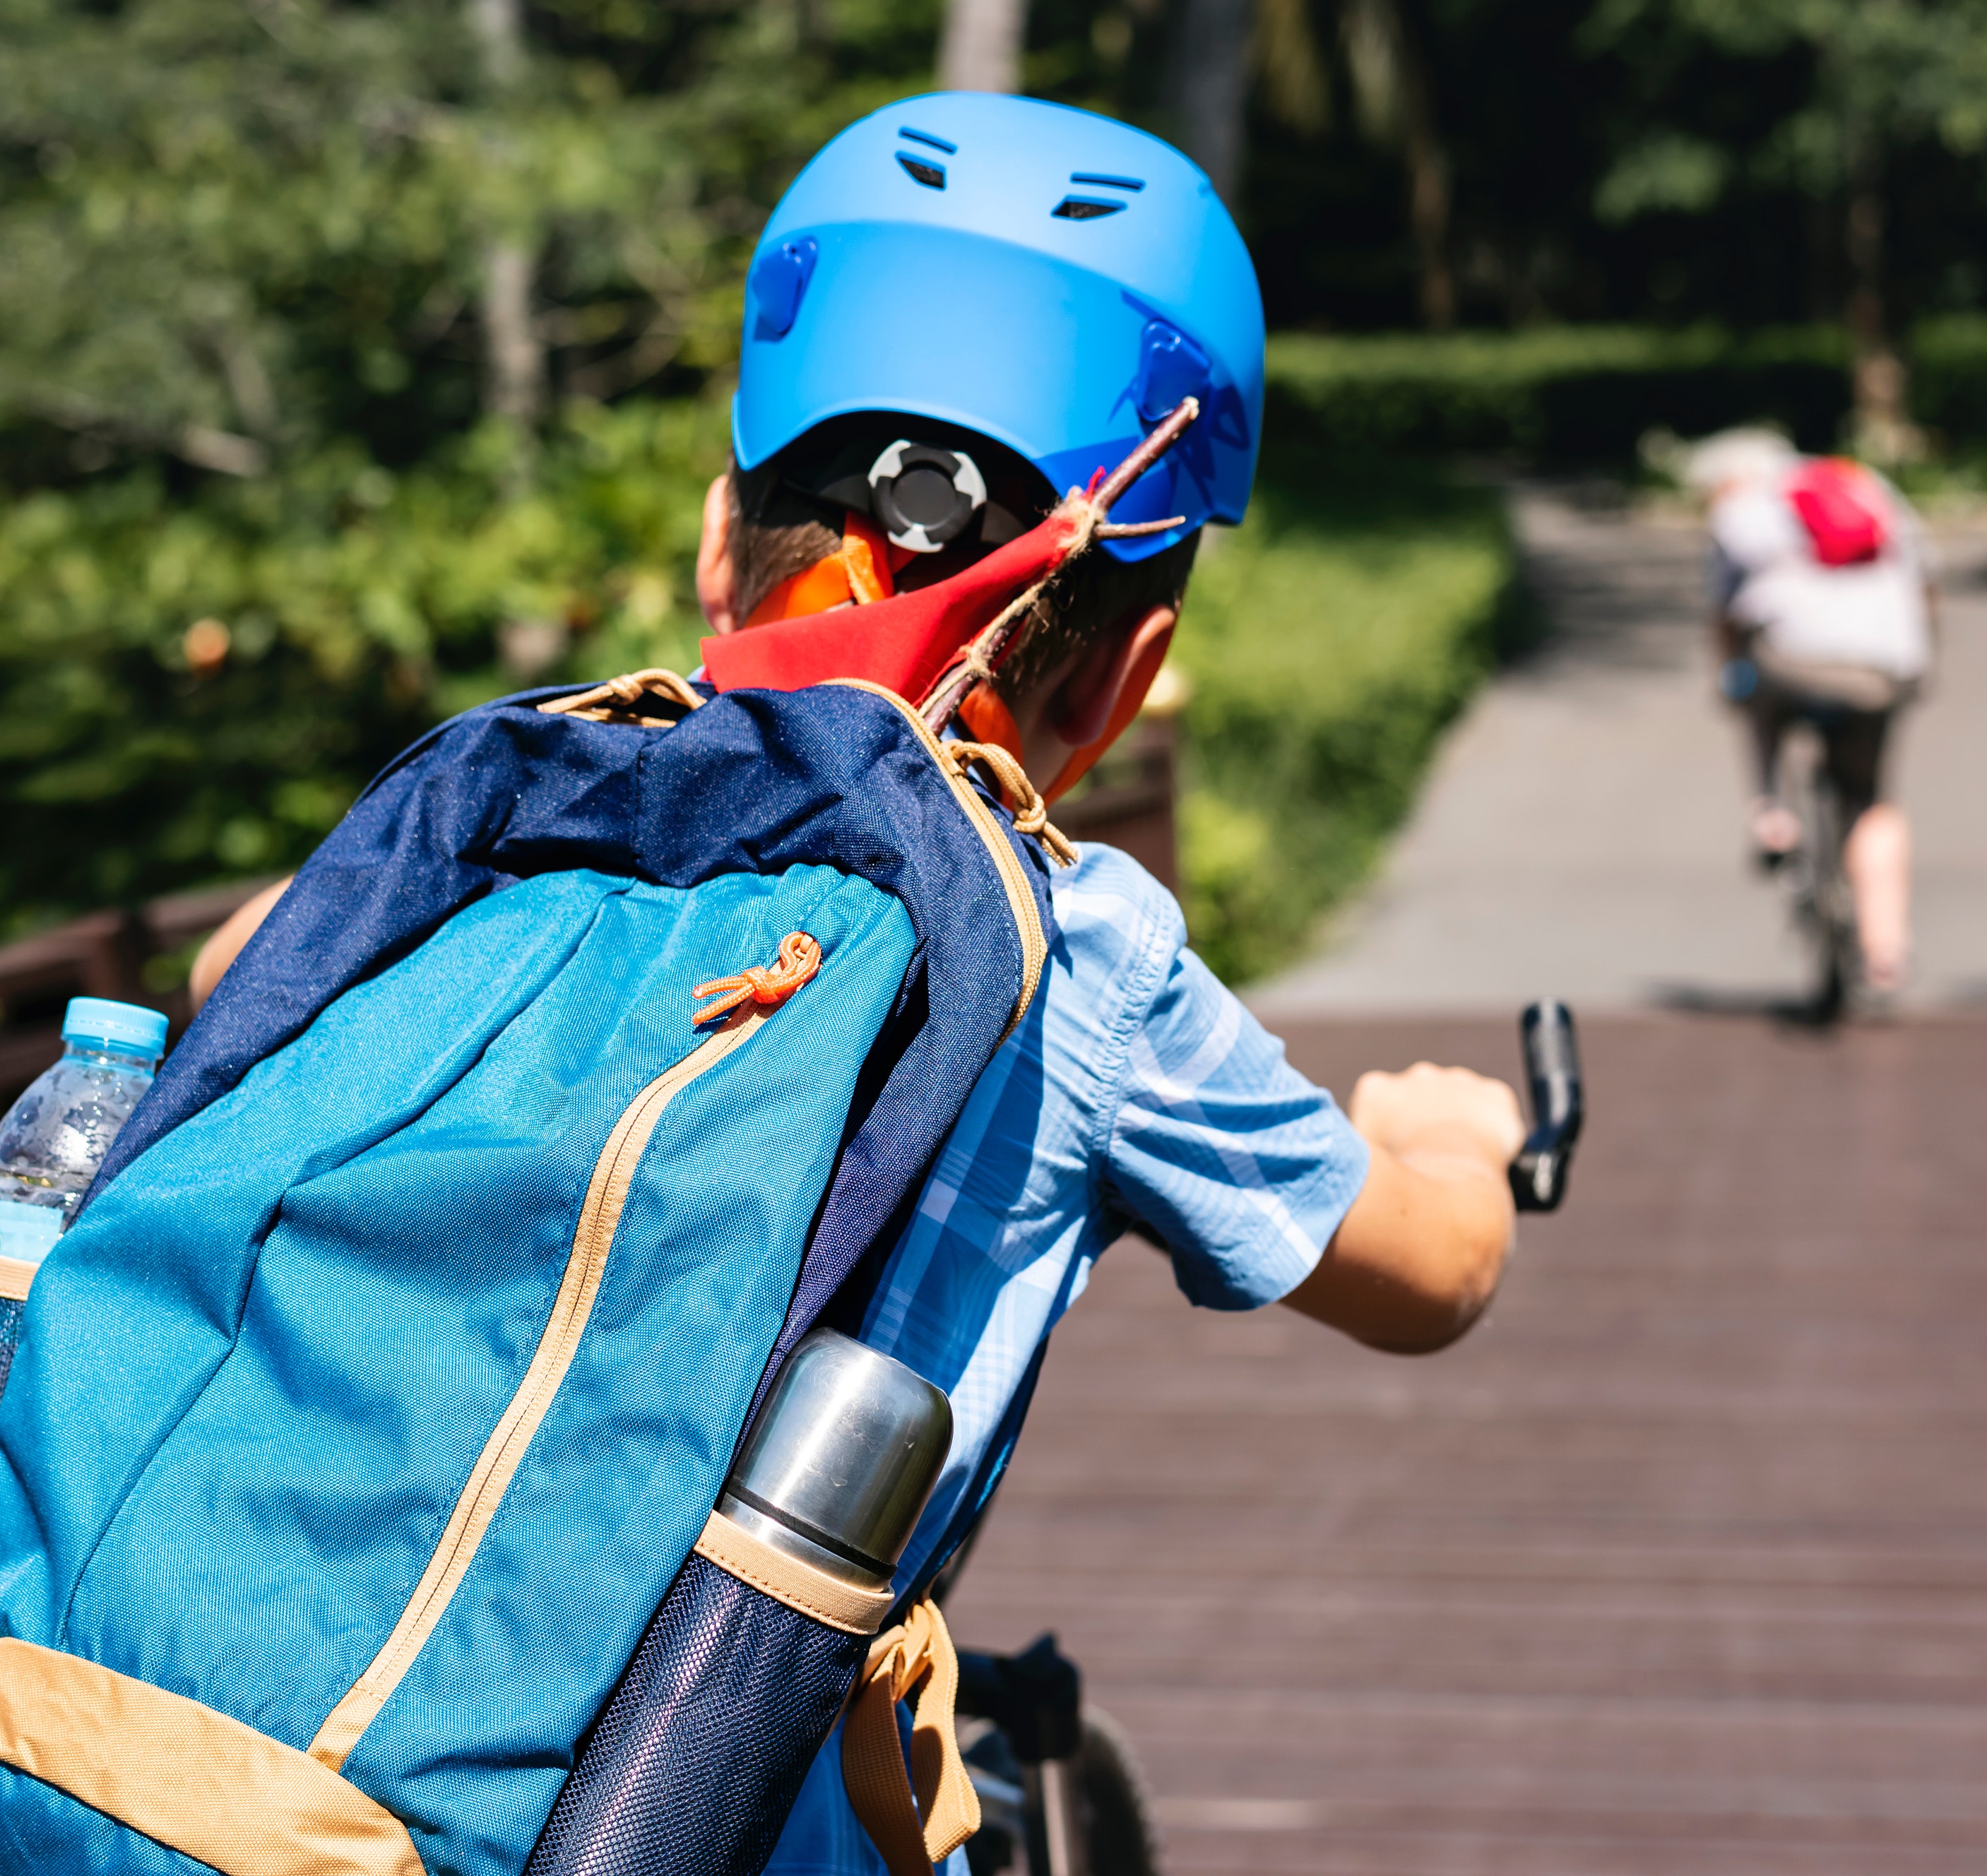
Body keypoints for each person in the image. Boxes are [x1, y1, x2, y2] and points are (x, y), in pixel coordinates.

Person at [194, 92, 1524, 1876]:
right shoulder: (1087, 957)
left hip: (227, 1745)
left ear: (708, 546)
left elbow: (232, 975)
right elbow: (1424, 1279)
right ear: (1132, 670)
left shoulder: (522, 807)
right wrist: (1458, 1148)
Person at [1687, 427, 1936, 997]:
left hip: (1793, 662)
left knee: (1754, 693)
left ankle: (1772, 813)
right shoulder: (1862, 482)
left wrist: (1729, 676)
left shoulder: (1740, 509)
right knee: (1871, 798)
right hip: (1884, 664)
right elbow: (1925, 577)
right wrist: (1920, 662)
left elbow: (1723, 615)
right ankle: (1886, 948)